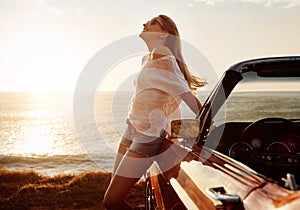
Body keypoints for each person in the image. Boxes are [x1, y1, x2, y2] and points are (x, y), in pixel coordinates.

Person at [103, 14, 206, 210]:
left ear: (164, 34)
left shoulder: (165, 59)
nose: (145, 24)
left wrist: (203, 125)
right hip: (130, 129)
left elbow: (187, 95)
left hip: (146, 137)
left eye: (152, 23)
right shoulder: (147, 59)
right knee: (112, 194)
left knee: (112, 201)